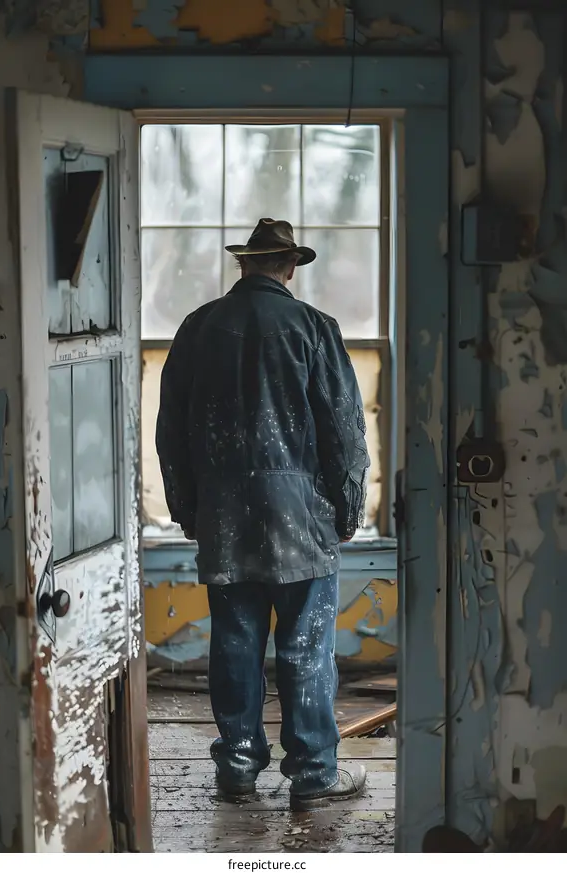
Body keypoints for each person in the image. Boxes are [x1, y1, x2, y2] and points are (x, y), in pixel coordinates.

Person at [156, 218, 370, 811]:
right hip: (301, 517)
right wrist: (347, 509)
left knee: (234, 644)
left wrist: (187, 509)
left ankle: (239, 768)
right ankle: (312, 775)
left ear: (243, 265)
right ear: (291, 267)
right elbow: (345, 432)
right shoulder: (313, 328)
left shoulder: (197, 328)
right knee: (305, 649)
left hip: (224, 518)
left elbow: (169, 431)